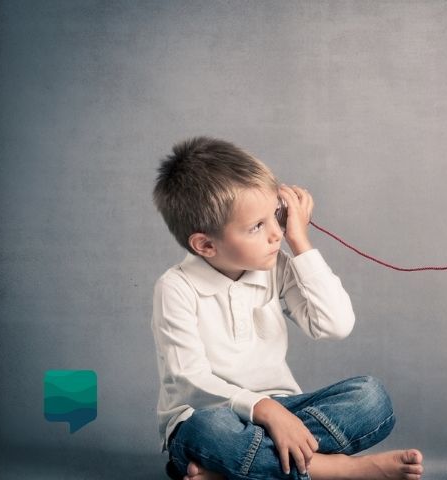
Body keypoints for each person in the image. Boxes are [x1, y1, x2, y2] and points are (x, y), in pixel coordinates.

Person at [151, 137, 423, 480]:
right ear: (205, 244)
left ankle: (233, 471)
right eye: (256, 227)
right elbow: (191, 382)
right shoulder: (176, 287)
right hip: (212, 414)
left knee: (371, 398)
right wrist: (262, 409)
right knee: (209, 430)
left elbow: (334, 324)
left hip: (285, 410)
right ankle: (338, 470)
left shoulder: (275, 266)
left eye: (274, 217)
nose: (275, 234)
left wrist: (301, 242)